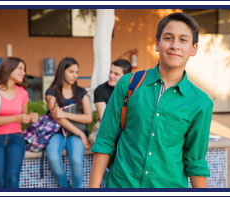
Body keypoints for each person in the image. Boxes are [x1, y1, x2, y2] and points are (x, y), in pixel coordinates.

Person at [89, 12, 213, 188]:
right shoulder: (128, 83)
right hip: (121, 185)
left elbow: (195, 161)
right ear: (157, 44)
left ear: (194, 49)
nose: (175, 45)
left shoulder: (201, 103)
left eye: (183, 40)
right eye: (168, 38)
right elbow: (105, 139)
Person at [0, 57, 39, 188]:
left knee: (12, 180)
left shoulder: (23, 93)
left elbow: (23, 118)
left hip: (16, 138)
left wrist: (31, 118)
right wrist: (17, 118)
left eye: (24, 69)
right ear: (8, 69)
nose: (24, 73)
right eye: (20, 69)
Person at [45, 57, 92, 188]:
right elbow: (57, 118)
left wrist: (64, 113)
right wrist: (81, 134)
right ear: (62, 71)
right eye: (71, 71)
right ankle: (65, 188)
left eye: (77, 72)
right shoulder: (52, 92)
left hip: (75, 136)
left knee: (77, 161)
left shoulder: (82, 92)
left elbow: (88, 118)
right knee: (53, 159)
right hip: (57, 133)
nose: (75, 75)